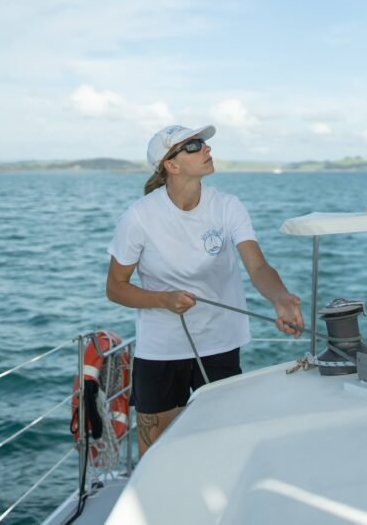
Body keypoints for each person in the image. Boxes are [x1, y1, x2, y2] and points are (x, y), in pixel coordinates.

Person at [106, 124, 304, 456]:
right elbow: (116, 288)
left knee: (221, 442)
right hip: (162, 348)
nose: (207, 149)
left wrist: (281, 299)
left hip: (219, 342)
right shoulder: (140, 217)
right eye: (195, 145)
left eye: (205, 143)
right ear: (171, 165)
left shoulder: (228, 207)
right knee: (157, 448)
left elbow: (257, 267)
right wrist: (163, 300)